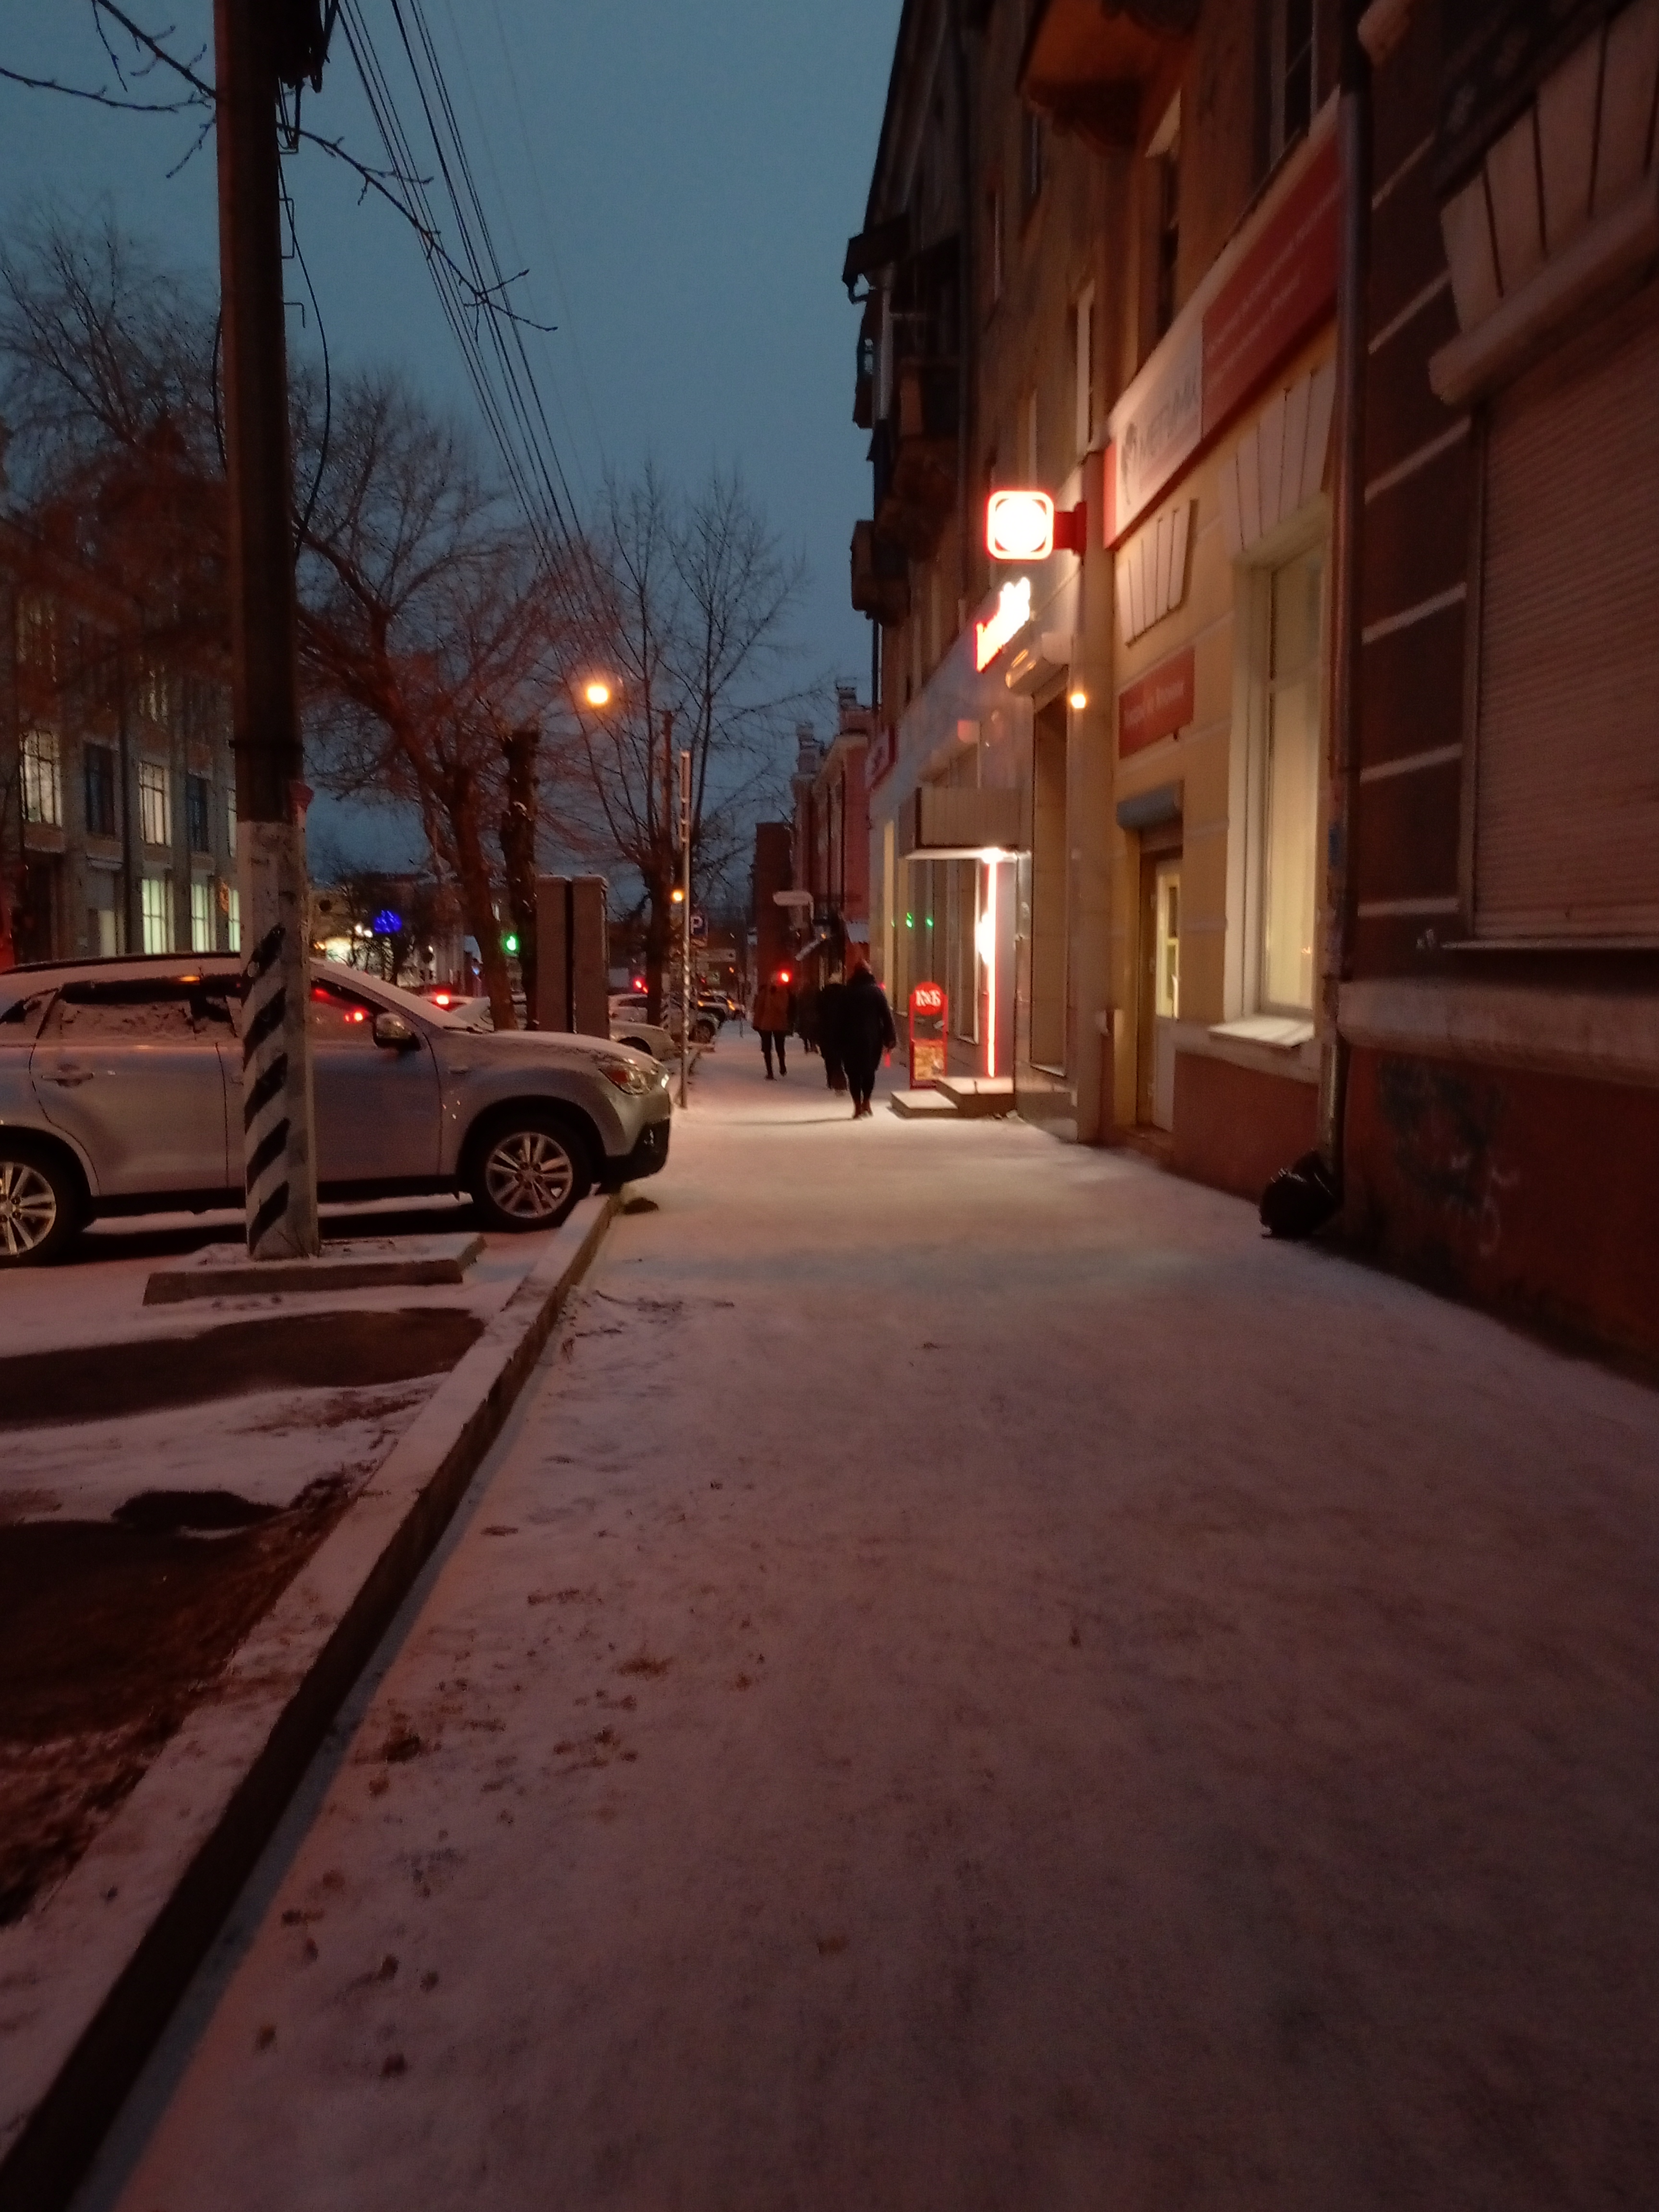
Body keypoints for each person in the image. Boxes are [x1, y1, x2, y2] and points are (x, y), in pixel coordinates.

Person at [839, 951, 895, 1118]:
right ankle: (867, 1102)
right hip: (872, 1039)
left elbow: (839, 1018)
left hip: (850, 1039)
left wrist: (836, 1040)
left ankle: (857, 1105)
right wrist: (890, 1039)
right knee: (869, 1071)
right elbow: (886, 1016)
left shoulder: (847, 992)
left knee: (853, 1073)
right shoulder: (876, 992)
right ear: (869, 973)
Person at [751, 969, 794, 1079]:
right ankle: (769, 1072)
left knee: (780, 1047)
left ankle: (782, 1065)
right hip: (766, 1024)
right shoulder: (765, 991)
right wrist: (756, 1023)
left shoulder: (783, 992)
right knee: (767, 1049)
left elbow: (783, 1008)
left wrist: (774, 995)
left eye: (776, 981)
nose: (774, 982)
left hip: (779, 1024)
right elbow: (759, 1008)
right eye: (773, 980)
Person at [818, 971, 849, 1093]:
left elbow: (819, 1013)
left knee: (829, 1057)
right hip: (842, 1031)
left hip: (827, 1031)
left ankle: (831, 1079)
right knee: (840, 1057)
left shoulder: (824, 994)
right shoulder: (846, 994)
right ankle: (840, 1079)